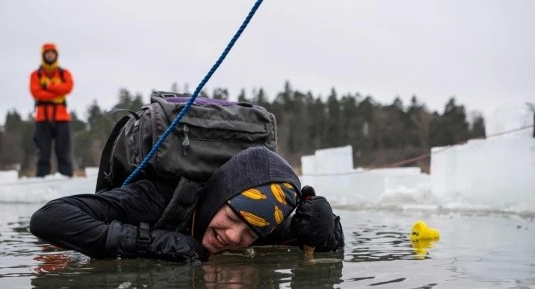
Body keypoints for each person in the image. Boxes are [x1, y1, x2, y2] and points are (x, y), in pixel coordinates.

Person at [29, 146, 344, 262]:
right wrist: (152, 243)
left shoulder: (258, 225)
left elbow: (320, 240)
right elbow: (47, 218)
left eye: (249, 233)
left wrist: (323, 228)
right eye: (233, 216)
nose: (234, 237)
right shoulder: (156, 199)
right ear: (221, 196)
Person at [29, 42, 74, 177]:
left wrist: (47, 87)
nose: (50, 55)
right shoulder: (35, 75)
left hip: (61, 117)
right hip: (42, 118)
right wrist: (56, 93)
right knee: (43, 152)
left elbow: (68, 88)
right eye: (47, 53)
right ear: (43, 55)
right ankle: (42, 179)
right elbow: (36, 92)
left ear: (56, 55)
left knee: (64, 151)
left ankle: (66, 178)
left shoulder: (64, 73)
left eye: (52, 53)